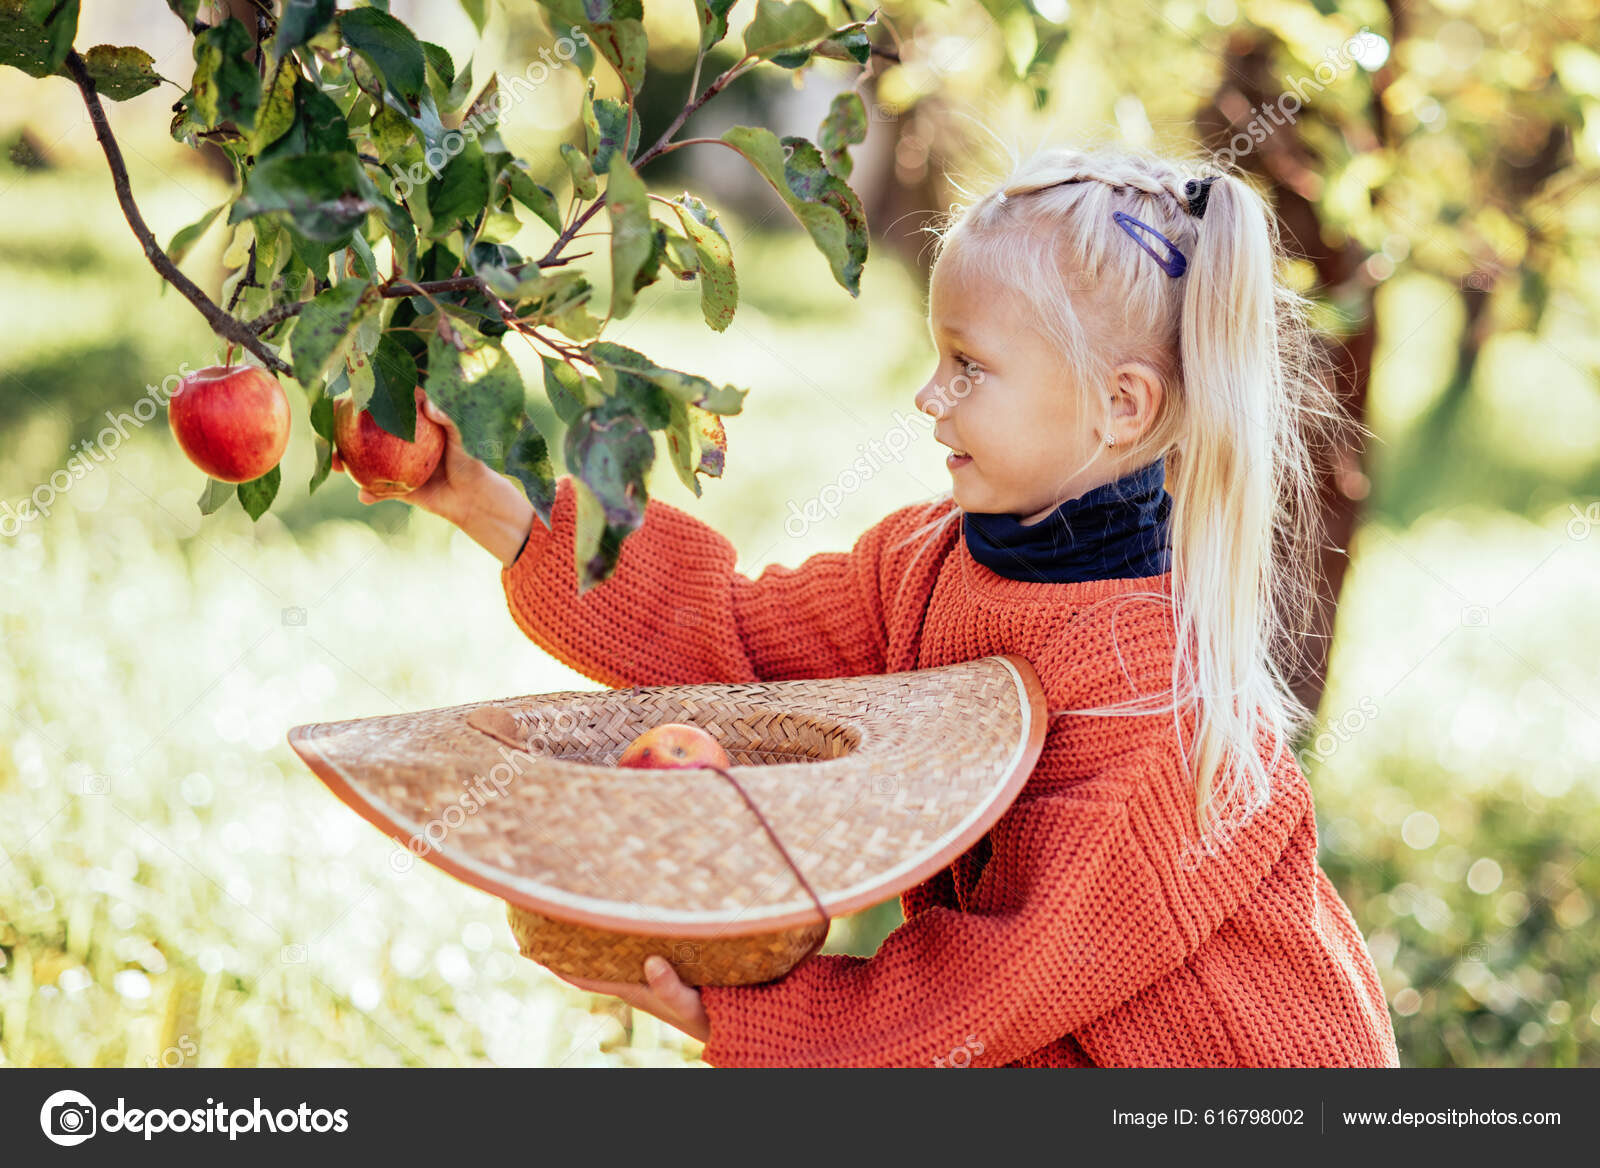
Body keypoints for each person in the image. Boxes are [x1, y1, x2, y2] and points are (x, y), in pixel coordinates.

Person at [340, 144, 1399, 1068]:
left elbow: (984, 992)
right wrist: (485, 498)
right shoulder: (926, 560)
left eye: (970, 367)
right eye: (938, 355)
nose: (928, 397)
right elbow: (732, 643)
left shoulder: (1145, 696)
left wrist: (742, 1015)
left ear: (1121, 404)